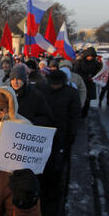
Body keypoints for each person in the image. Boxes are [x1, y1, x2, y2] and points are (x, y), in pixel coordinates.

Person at [44, 70, 81, 200]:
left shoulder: (71, 94)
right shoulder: (44, 91)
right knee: (46, 163)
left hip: (62, 133)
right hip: (46, 132)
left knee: (58, 164)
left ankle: (55, 191)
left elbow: (75, 115)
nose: (54, 86)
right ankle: (46, 189)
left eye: (56, 84)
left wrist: (72, 133)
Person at [73, 47, 103, 117]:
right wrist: (85, 78)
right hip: (82, 82)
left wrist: (102, 63)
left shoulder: (95, 63)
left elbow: (100, 70)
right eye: (90, 56)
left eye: (92, 56)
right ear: (86, 55)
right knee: (81, 97)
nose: (90, 58)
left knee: (88, 99)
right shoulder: (80, 62)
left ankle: (85, 114)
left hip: (90, 82)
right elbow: (76, 72)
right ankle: (79, 112)